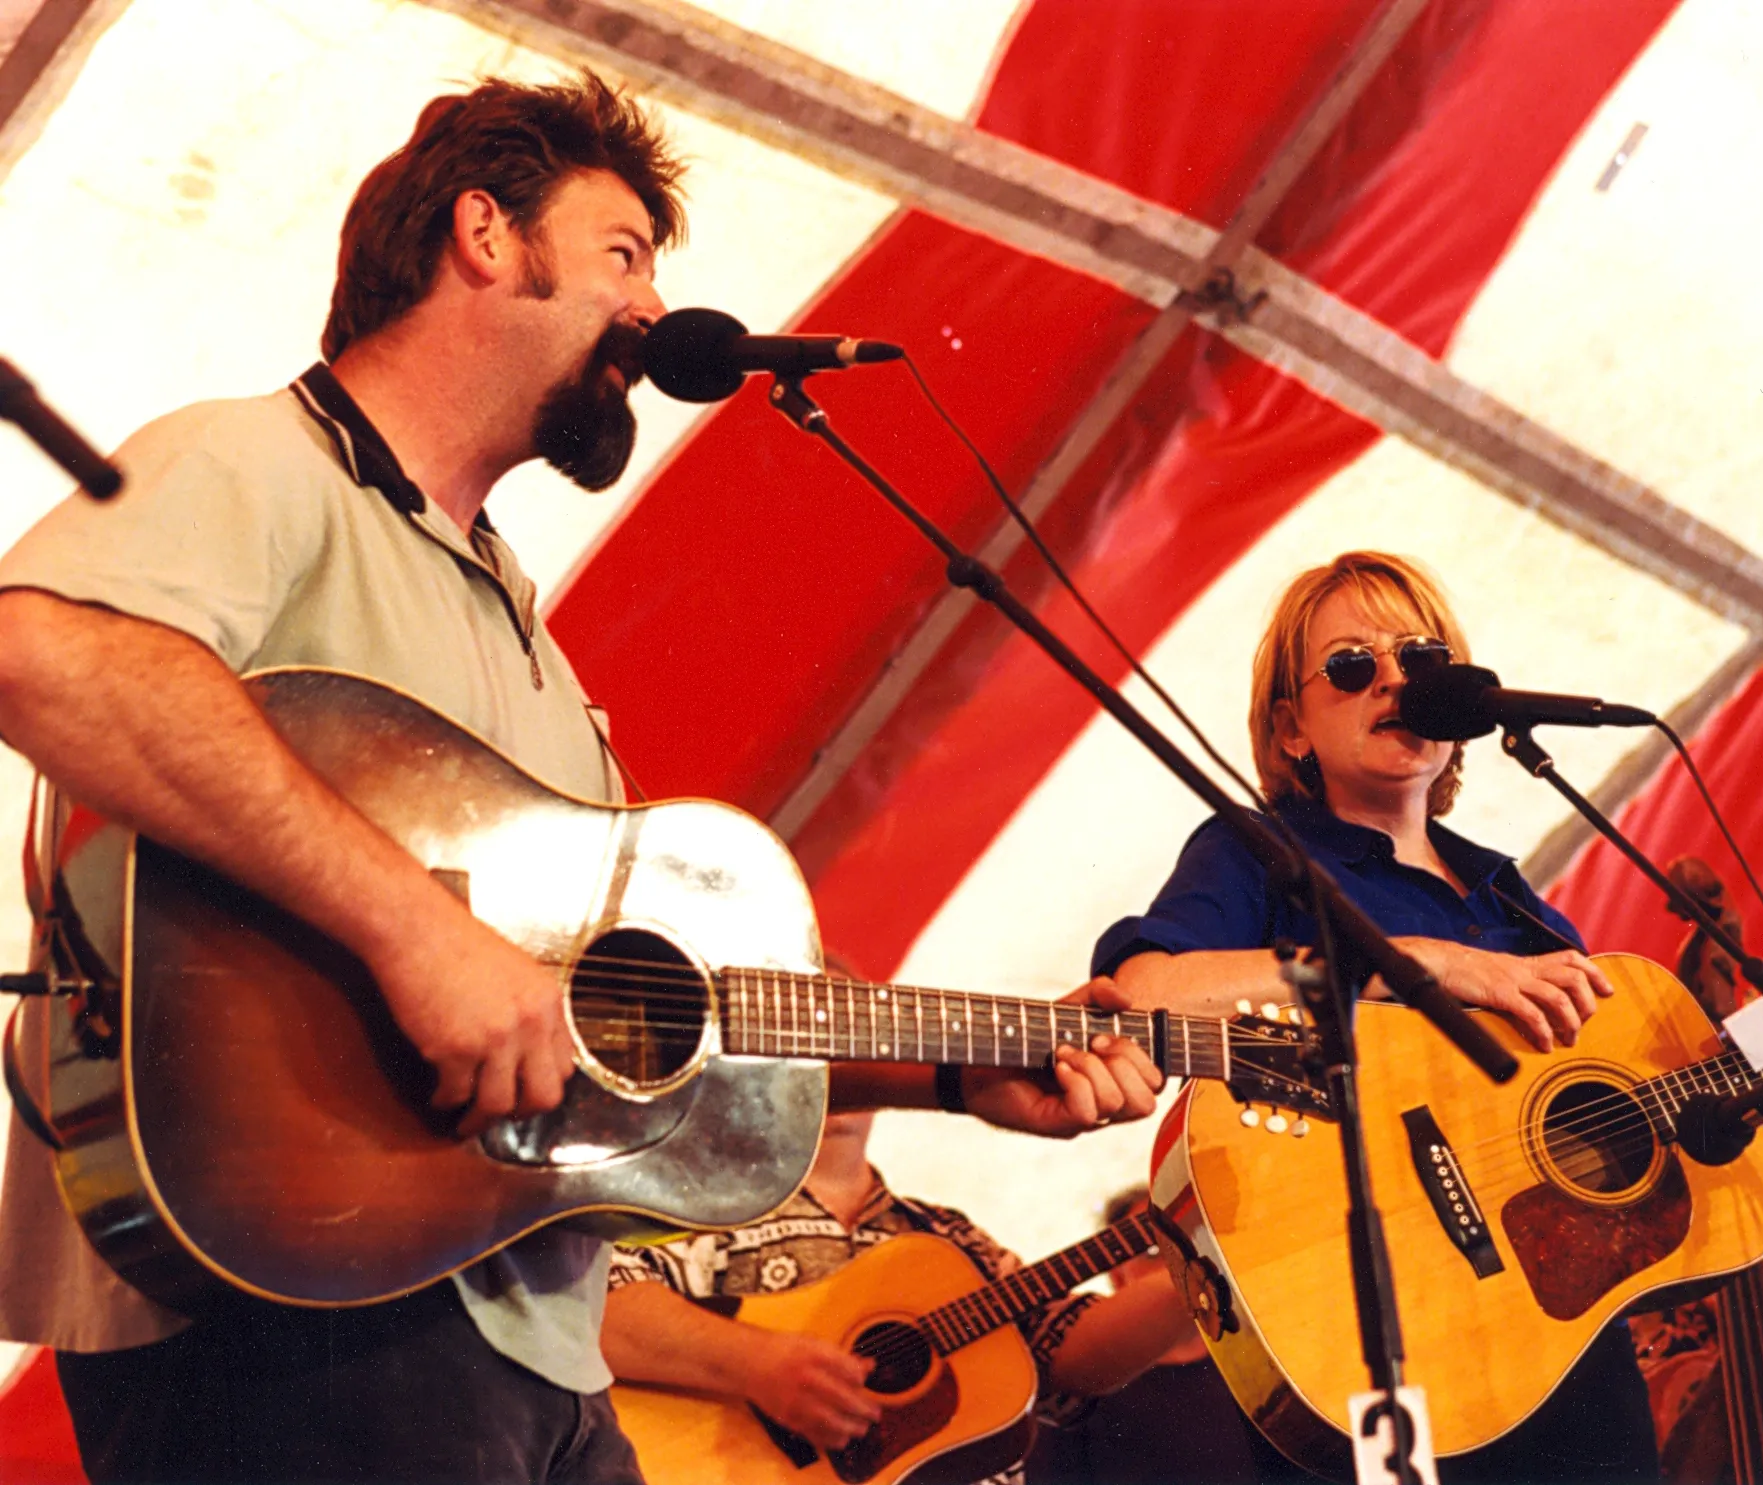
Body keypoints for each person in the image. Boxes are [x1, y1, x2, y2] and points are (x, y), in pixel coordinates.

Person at [0, 73, 1157, 1485]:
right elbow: (45, 655)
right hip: (302, 1300)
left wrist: (961, 1071)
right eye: (623, 253)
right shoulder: (264, 460)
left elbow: (631, 1025)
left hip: (535, 1342)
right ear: (486, 234)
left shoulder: (520, 633)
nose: (653, 310)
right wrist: (420, 937)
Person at [1090, 550, 1763, 1483]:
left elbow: (1655, 1164)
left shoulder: (1516, 908)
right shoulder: (1255, 854)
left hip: (1566, 1379)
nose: (1395, 680)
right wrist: (1421, 964)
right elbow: (1144, 993)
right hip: (1372, 1348)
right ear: (1289, 727)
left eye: (1421, 659)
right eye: (1352, 665)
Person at [603, 1113, 1194, 1485]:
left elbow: (1067, 1356)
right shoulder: (681, 1212)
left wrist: (1195, 1270)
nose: (830, 1060)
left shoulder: (946, 1237)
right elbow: (596, 1310)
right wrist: (758, 1364)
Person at [1025, 1185, 1281, 1485]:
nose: (1184, 1260)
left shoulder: (1268, 1366)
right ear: (1118, 1277)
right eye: (1153, 1253)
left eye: (1196, 1237)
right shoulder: (1079, 1397)